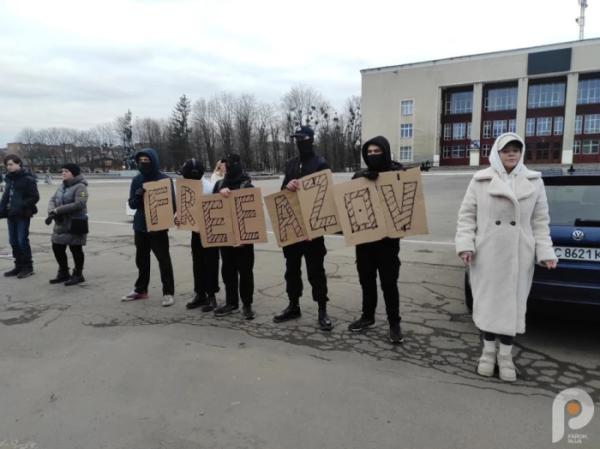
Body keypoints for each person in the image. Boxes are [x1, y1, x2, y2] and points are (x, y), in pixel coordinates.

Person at [455, 132, 557, 382]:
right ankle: (488, 353)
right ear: (497, 153)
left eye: (516, 149)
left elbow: (540, 221)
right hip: (488, 253)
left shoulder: (534, 181)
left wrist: (545, 251)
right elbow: (467, 216)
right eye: (506, 150)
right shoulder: (480, 180)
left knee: (512, 305)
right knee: (489, 303)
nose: (511, 154)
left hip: (518, 254)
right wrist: (466, 245)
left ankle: (506, 356)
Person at [273, 126, 333, 331]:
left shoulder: (320, 162)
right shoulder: (290, 163)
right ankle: (293, 305)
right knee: (291, 270)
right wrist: (287, 186)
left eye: (303, 138)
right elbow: (282, 193)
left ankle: (322, 309)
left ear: (311, 139)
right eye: (297, 138)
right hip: (292, 228)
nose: (299, 142)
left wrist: (314, 230)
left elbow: (326, 196)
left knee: (316, 271)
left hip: (313, 230)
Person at [347, 136, 404, 344]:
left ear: (385, 152)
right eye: (369, 153)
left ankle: (394, 323)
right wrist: (363, 179)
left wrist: (383, 178)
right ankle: (367, 316)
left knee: (389, 283)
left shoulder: (398, 173)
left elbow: (407, 204)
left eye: (376, 152)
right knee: (366, 281)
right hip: (364, 242)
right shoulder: (358, 176)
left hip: (388, 243)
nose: (372, 155)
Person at [121, 149, 176, 307]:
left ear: (153, 160)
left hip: (158, 227)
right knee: (142, 260)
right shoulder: (137, 179)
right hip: (140, 226)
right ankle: (141, 289)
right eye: (141, 160)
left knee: (163, 260)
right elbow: (131, 204)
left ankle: (168, 292)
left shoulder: (164, 179)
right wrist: (138, 197)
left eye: (146, 160)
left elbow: (171, 203)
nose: (143, 163)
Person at [213, 154, 256, 320]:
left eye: (230, 164)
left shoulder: (247, 185)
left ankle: (247, 304)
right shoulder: (219, 184)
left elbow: (254, 216)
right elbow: (211, 207)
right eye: (225, 164)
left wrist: (244, 238)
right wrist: (219, 193)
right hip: (226, 238)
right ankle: (231, 302)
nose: (227, 167)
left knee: (245, 272)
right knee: (228, 271)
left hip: (244, 240)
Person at [177, 158, 221, 312]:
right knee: (197, 263)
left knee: (211, 263)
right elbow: (182, 209)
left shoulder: (209, 188)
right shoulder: (185, 188)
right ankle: (200, 293)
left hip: (210, 232)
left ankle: (211, 295)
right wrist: (179, 218)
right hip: (195, 233)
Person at [45, 163, 89, 286]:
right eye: (62, 171)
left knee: (75, 249)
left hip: (75, 222)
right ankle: (63, 272)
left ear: (74, 173)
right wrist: (51, 210)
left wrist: (58, 210)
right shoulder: (62, 186)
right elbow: (52, 199)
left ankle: (78, 274)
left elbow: (79, 204)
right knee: (57, 247)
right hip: (61, 222)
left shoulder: (81, 187)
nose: (63, 173)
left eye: (66, 171)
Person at [0, 154, 40, 278]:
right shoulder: (9, 178)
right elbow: (6, 196)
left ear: (19, 164)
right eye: (7, 165)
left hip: (22, 214)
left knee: (22, 240)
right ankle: (18, 266)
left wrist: (21, 205)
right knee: (13, 241)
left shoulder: (28, 178)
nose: (9, 167)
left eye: (11, 164)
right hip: (10, 213)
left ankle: (28, 267)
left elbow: (35, 196)